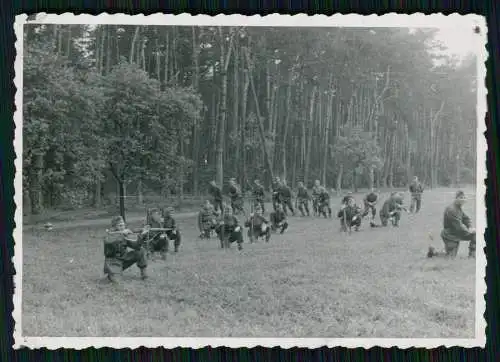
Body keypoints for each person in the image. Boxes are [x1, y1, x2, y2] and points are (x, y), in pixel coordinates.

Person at [427, 190, 476, 258]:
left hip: (456, 232)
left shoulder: (458, 207)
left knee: (475, 234)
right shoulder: (451, 209)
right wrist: (469, 231)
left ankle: (472, 255)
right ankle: (433, 253)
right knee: (450, 257)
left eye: (464, 198)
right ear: (456, 198)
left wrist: (470, 226)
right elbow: (459, 226)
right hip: (450, 235)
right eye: (461, 198)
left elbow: (466, 218)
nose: (463, 199)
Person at [103, 216, 149, 283]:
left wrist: (142, 235)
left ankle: (144, 275)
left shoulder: (123, 235)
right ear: (114, 227)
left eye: (123, 225)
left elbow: (136, 246)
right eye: (120, 225)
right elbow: (109, 241)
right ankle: (111, 275)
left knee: (141, 251)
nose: (123, 227)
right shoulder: (109, 235)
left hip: (124, 259)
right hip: (113, 263)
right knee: (116, 282)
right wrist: (121, 234)